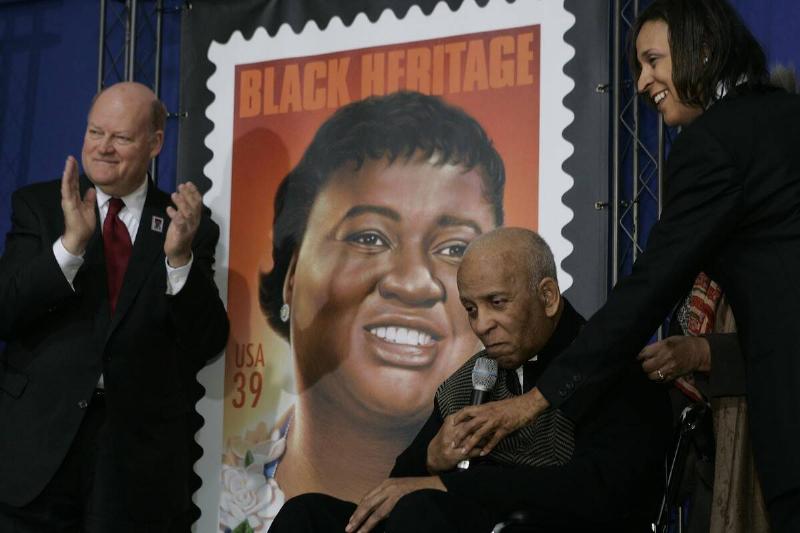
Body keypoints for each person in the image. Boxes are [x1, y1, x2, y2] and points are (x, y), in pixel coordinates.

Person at [446, 1, 800, 531]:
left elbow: (650, 287)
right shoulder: (785, 119)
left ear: (702, 51)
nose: (641, 82)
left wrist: (536, 399)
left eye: (653, 61)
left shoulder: (714, 142)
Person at [218, 91, 506, 531]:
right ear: (291, 273)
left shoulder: (514, 496)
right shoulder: (220, 493)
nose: (413, 283)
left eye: (454, 248)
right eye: (369, 238)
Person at [269, 227, 671, 533]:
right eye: (471, 309)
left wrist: (455, 486)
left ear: (548, 297)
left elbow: (602, 491)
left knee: (421, 512)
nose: (482, 325)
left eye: (497, 303)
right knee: (306, 517)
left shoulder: (609, 368)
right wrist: (432, 457)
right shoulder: (472, 381)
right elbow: (398, 485)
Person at [0, 82, 229, 531]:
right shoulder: (41, 207)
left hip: (136, 460)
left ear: (155, 143)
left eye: (120, 138)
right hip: (38, 449)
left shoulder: (186, 225)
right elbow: (6, 310)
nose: (103, 148)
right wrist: (69, 247)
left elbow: (207, 340)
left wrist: (178, 260)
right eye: (94, 132)